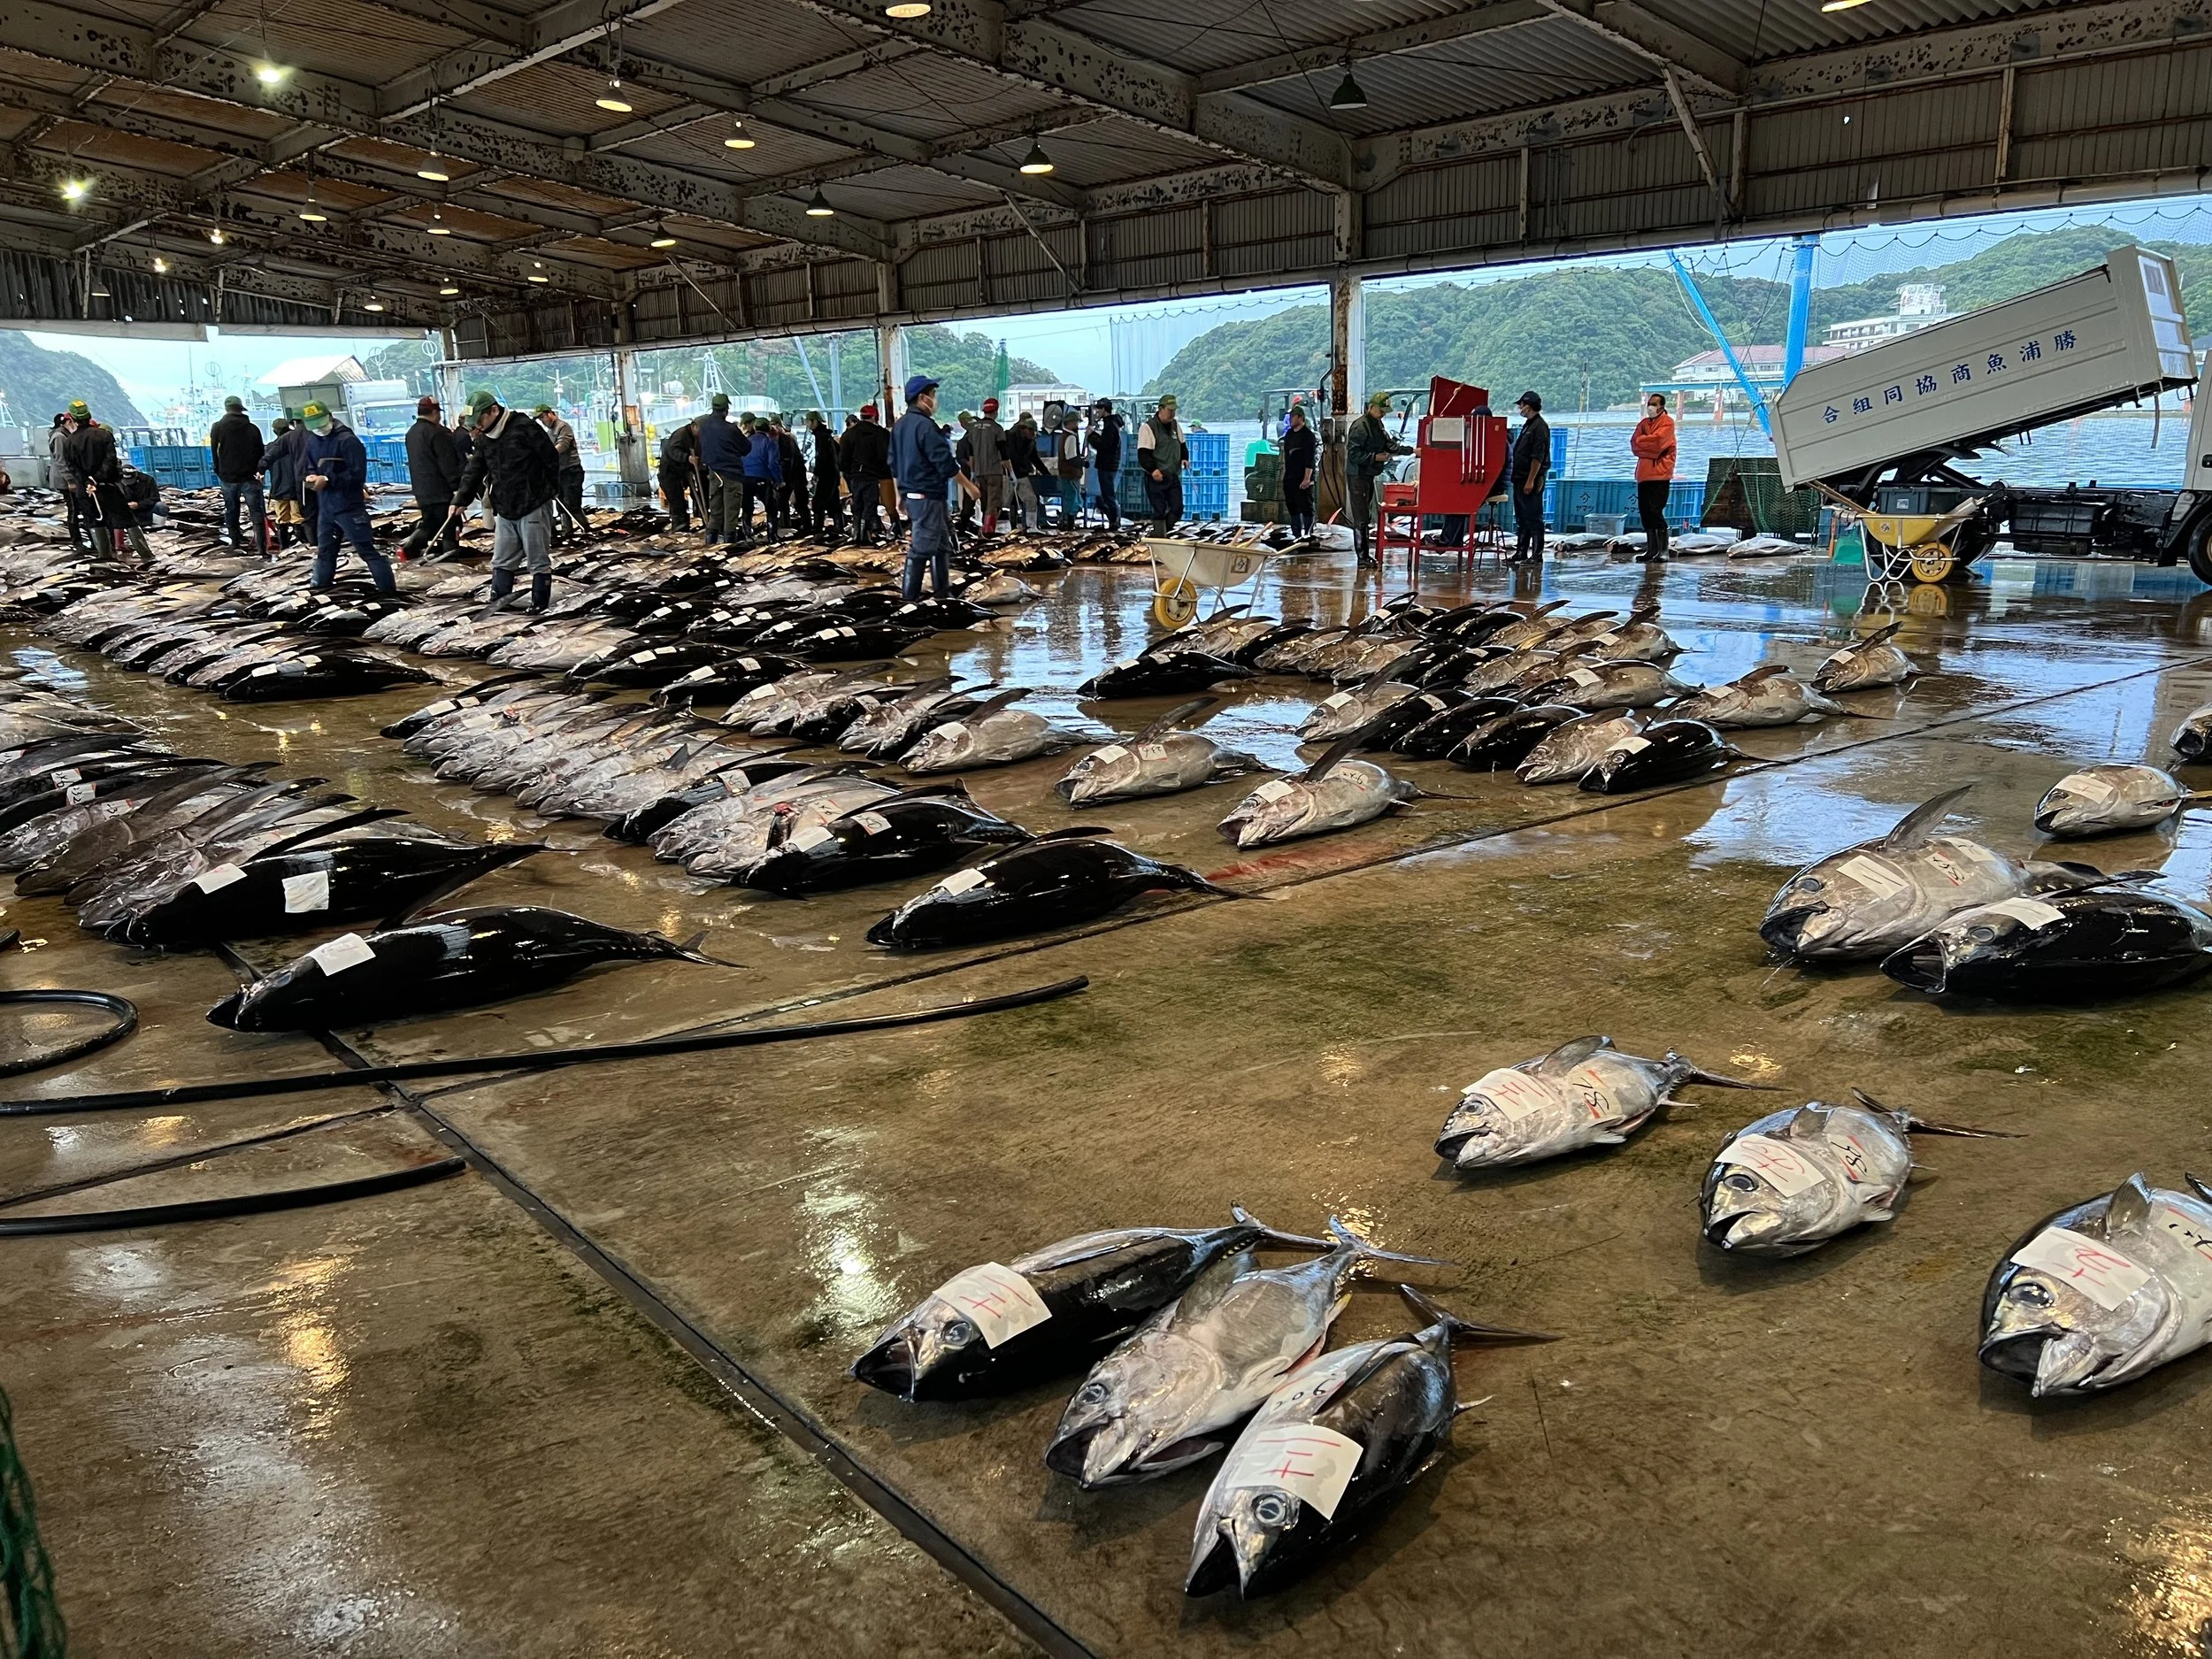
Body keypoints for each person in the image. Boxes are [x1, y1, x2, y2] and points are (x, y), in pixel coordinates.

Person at [448, 388, 560, 611]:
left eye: (480, 419)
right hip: (505, 507)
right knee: (501, 559)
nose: (478, 426)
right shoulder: (484, 439)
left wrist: (548, 491)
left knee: (537, 559)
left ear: (494, 410)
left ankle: (539, 605)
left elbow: (551, 459)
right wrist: (461, 498)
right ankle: (499, 602)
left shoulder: (525, 428)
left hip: (533, 504)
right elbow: (475, 469)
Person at [298, 399, 397, 595]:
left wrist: (328, 479)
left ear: (330, 416)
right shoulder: (312, 441)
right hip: (326, 508)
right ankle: (318, 595)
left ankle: (390, 595)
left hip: (349, 507)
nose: (318, 429)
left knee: (367, 551)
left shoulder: (348, 441)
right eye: (313, 426)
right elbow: (310, 466)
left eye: (320, 423)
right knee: (325, 553)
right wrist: (310, 476)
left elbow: (357, 475)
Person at [892, 374, 975, 600]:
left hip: (915, 495)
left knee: (940, 547)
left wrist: (900, 494)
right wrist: (968, 486)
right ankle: (907, 603)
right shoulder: (925, 426)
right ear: (922, 398)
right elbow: (945, 463)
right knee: (920, 549)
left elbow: (894, 463)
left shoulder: (900, 426)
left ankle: (943, 597)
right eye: (933, 394)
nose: (934, 399)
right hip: (926, 496)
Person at [61, 400, 149, 559]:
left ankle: (106, 559)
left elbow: (72, 467)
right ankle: (147, 556)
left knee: (95, 522)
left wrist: (87, 481)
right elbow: (110, 461)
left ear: (72, 419)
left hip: (86, 490)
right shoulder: (104, 435)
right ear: (89, 416)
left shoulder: (69, 441)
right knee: (128, 520)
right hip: (108, 487)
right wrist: (96, 478)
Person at [1346, 392, 1412, 565]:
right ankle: (1362, 557)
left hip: (1368, 474)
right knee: (1361, 516)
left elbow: (1389, 444)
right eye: (1381, 410)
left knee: (1366, 515)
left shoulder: (1377, 424)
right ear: (1371, 408)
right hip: (1357, 475)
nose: (1383, 414)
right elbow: (1353, 455)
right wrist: (1375, 457)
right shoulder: (1360, 427)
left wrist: (1411, 451)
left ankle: (1366, 555)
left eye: (1385, 411)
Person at [402, 396, 464, 559]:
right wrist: (457, 487)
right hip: (440, 491)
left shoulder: (411, 433)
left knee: (430, 524)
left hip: (421, 490)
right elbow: (447, 463)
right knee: (451, 525)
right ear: (436, 412)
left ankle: (408, 550)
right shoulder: (438, 433)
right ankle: (451, 560)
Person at [208, 395, 267, 553]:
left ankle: (235, 544)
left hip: (228, 477)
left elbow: (214, 451)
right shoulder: (253, 428)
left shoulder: (217, 427)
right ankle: (262, 549)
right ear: (241, 409)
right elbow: (261, 453)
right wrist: (260, 471)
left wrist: (219, 471)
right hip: (251, 477)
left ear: (226, 409)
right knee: (256, 511)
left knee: (231, 509)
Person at [1630, 390, 1677, 565]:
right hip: (1644, 474)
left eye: (1654, 404)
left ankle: (1663, 551)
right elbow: (1634, 445)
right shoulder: (1643, 423)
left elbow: (1658, 444)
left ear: (1662, 407)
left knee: (1656, 511)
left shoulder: (1668, 423)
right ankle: (1652, 550)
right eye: (1649, 403)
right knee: (1645, 512)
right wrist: (1646, 445)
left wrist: (1645, 444)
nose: (1650, 407)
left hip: (1660, 474)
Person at [694, 395, 745, 546]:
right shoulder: (731, 429)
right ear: (726, 410)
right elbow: (746, 448)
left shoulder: (704, 427)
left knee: (715, 512)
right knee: (731, 512)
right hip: (731, 475)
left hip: (713, 474)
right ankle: (729, 549)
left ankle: (710, 547)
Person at [1508, 389, 1551, 565]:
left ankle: (1537, 555)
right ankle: (1521, 552)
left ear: (1529, 406)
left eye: (1522, 405)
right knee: (1522, 518)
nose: (1520, 408)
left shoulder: (1540, 427)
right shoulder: (1528, 425)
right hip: (1519, 477)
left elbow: (1537, 457)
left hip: (1530, 478)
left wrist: (1531, 480)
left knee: (1534, 517)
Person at [839, 403, 891, 545]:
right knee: (870, 504)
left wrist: (847, 474)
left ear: (861, 417)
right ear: (875, 416)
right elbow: (885, 457)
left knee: (858, 504)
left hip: (855, 475)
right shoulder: (881, 434)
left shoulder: (848, 434)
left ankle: (857, 534)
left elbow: (843, 459)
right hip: (872, 475)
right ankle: (867, 536)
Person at [1136, 395, 1187, 534]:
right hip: (1156, 477)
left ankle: (1162, 532)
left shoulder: (1176, 426)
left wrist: (1184, 458)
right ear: (1160, 409)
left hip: (1173, 474)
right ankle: (1159, 536)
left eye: (1174, 410)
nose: (1172, 413)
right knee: (1159, 510)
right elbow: (1143, 454)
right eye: (1169, 410)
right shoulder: (1148, 427)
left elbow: (1182, 445)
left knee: (1177, 508)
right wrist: (1153, 470)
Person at [534, 404, 586, 542]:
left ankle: (586, 530)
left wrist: (548, 455)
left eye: (542, 417)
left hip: (572, 471)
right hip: (559, 473)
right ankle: (567, 531)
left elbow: (563, 445)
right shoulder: (549, 432)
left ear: (550, 413)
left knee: (572, 504)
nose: (542, 421)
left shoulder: (563, 427)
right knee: (561, 504)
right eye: (539, 419)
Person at [262, 417, 309, 549]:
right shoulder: (296, 445)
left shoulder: (270, 447)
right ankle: (303, 547)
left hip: (278, 488)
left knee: (282, 518)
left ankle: (284, 547)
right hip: (295, 488)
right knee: (298, 517)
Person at [741, 413, 783, 541]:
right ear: (768, 428)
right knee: (771, 506)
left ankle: (747, 535)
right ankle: (772, 535)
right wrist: (778, 480)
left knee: (747, 507)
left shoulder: (746, 442)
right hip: (761, 478)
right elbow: (772, 464)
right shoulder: (770, 443)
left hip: (745, 478)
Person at [967, 397, 1007, 533]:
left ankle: (984, 529)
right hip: (994, 472)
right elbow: (1004, 455)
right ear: (996, 411)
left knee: (984, 502)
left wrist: (972, 472)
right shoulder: (997, 429)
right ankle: (988, 532)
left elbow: (971, 453)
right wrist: (1011, 473)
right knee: (993, 502)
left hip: (979, 473)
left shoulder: (973, 429)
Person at [1280, 404, 1318, 538]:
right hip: (1290, 477)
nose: (1290, 419)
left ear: (1300, 417)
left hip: (1303, 477)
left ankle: (1308, 534)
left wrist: (1307, 478)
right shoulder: (1289, 434)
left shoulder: (1308, 436)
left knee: (1306, 506)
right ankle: (1296, 535)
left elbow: (1310, 459)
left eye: (1292, 417)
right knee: (1292, 506)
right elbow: (1286, 456)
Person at [49, 414, 85, 551]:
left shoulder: (62, 435)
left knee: (75, 508)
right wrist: (70, 480)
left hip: (66, 478)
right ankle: (77, 541)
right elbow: (60, 459)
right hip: (64, 480)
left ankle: (78, 539)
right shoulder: (59, 436)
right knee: (73, 509)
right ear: (68, 422)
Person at [804, 411, 841, 542]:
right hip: (833, 473)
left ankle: (818, 528)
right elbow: (838, 450)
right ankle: (839, 526)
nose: (808, 425)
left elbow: (821, 456)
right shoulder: (827, 435)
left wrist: (817, 474)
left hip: (826, 475)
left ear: (814, 421)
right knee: (834, 501)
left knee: (818, 502)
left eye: (808, 422)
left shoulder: (820, 436)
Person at [657, 417, 699, 532]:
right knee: (677, 504)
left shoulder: (691, 436)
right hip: (669, 474)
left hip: (678, 474)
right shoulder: (681, 435)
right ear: (694, 426)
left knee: (680, 503)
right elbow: (672, 451)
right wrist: (688, 458)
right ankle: (679, 531)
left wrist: (689, 469)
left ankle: (683, 528)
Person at [1004, 412, 1044, 529]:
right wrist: (1011, 473)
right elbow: (1011, 457)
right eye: (1032, 432)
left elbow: (1035, 459)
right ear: (1025, 429)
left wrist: (1047, 474)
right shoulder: (1009, 437)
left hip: (1022, 475)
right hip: (1007, 474)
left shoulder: (1030, 441)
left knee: (1031, 499)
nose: (1034, 435)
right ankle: (997, 529)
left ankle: (1032, 528)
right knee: (1002, 503)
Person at [1087, 399, 1123, 531]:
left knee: (1107, 495)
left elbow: (1104, 446)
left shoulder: (1110, 426)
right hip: (1109, 465)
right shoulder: (1112, 424)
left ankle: (1114, 521)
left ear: (1104, 409)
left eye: (1098, 409)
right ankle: (1114, 520)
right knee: (1105, 495)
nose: (1096, 412)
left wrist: (1091, 436)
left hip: (1107, 465)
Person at [774, 419, 805, 533]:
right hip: (792, 476)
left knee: (795, 502)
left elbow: (788, 462)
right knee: (784, 503)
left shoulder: (786, 439)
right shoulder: (784, 438)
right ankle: (787, 526)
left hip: (793, 476)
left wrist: (783, 480)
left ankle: (789, 527)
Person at [1055, 412, 1086, 526]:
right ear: (1071, 423)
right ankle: (1068, 523)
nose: (1077, 425)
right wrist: (1083, 462)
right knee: (1071, 499)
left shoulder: (1063, 436)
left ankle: (1065, 521)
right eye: (1076, 422)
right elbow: (1071, 457)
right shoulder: (1071, 437)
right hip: (1070, 473)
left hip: (1064, 473)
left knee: (1068, 497)